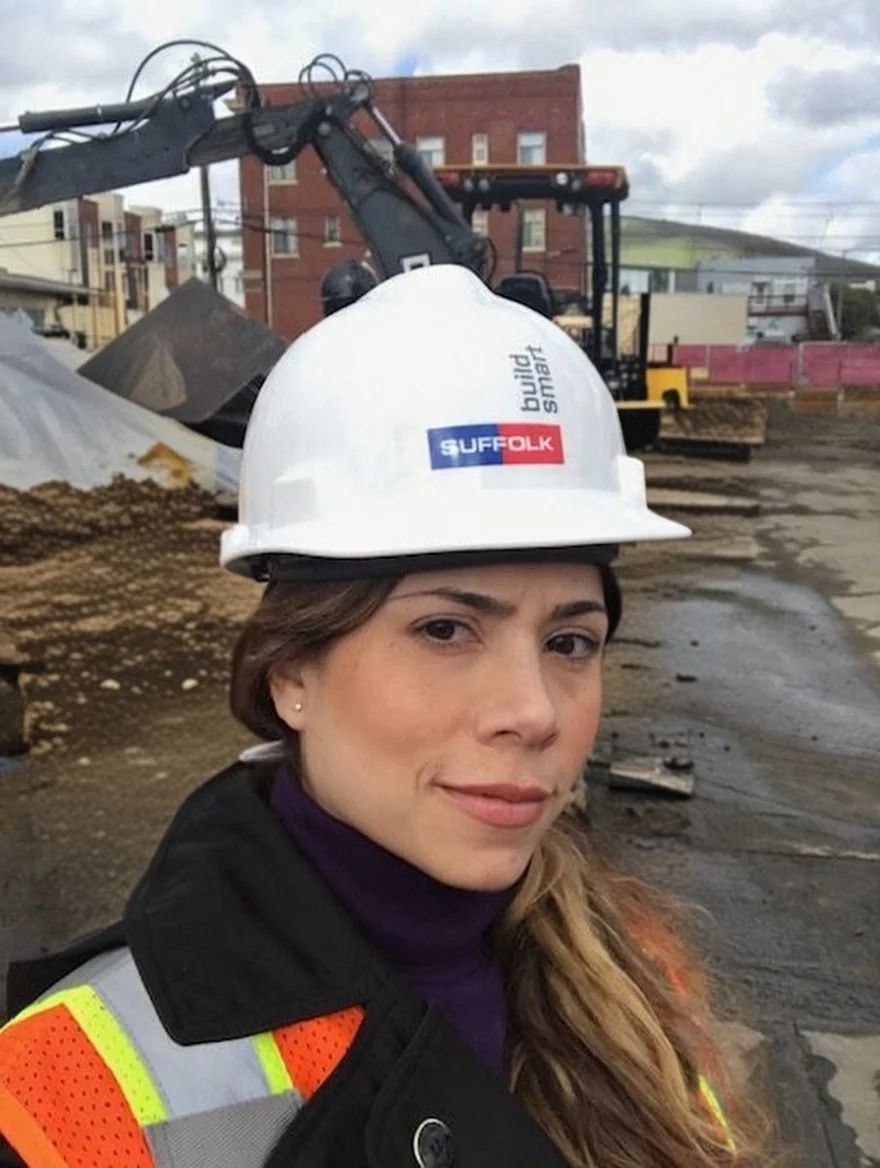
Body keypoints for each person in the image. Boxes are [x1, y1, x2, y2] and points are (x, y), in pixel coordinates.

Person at [0, 265, 761, 1167]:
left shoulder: (638, 970)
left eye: (570, 642)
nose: (534, 713)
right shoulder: (62, 1091)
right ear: (291, 673)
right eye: (446, 630)